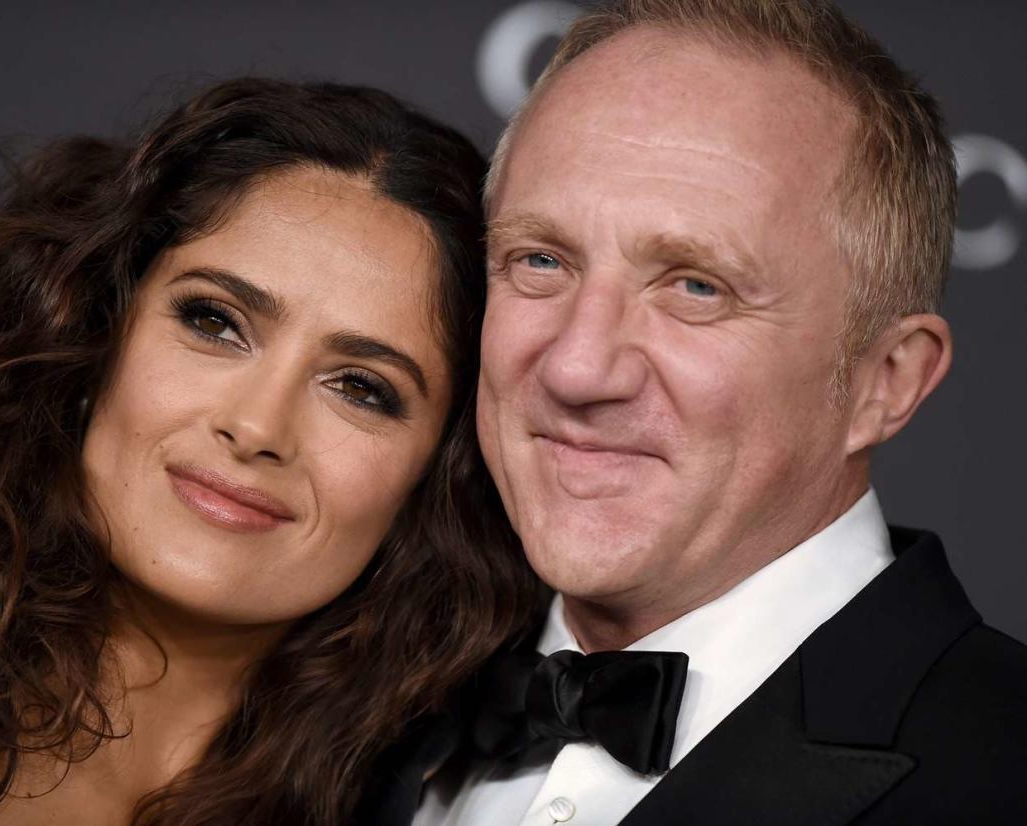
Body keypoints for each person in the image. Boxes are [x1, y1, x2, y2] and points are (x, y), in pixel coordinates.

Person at [0, 78, 541, 826]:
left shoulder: (434, 810)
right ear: (92, 332)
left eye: (360, 388)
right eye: (213, 321)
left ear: (436, 474)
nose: (256, 428)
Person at [410, 1, 1027, 824]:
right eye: (541, 260)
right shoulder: (359, 702)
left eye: (696, 287)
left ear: (886, 381)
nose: (576, 366)